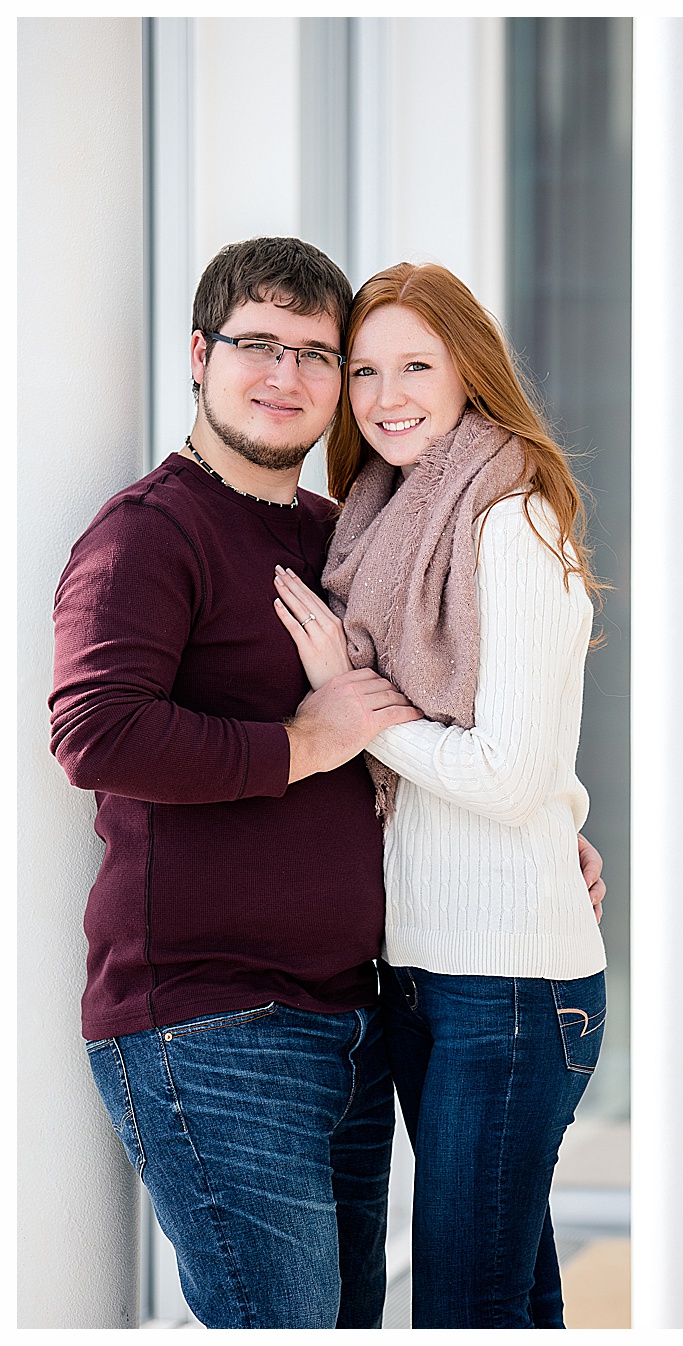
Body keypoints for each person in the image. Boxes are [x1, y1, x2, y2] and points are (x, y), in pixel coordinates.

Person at [50, 237, 421, 1328]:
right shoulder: (148, 532)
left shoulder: (337, 532)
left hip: (349, 1015)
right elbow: (95, 730)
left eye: (319, 354)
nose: (288, 375)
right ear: (203, 355)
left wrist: (542, 838)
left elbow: (406, 722)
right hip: (213, 1025)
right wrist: (302, 741)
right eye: (260, 343)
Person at [270, 261, 606, 1329]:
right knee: (508, 1295)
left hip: (506, 988)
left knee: (463, 1306)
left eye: (416, 363)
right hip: (423, 976)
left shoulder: (513, 518)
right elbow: (535, 758)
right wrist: (570, 814)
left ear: (471, 370)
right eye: (364, 369)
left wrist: (352, 704)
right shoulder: (375, 524)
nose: (386, 394)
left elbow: (508, 773)